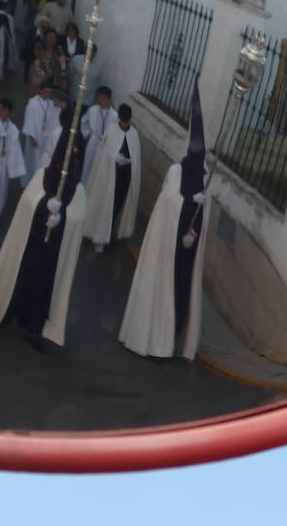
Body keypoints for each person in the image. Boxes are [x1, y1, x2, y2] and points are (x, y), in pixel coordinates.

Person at [0, 128, 87, 351]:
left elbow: (77, 220)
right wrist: (45, 206)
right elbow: (27, 204)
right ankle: (8, 313)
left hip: (53, 253)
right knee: (20, 279)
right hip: (31, 244)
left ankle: (34, 329)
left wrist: (60, 217)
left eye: (75, 157)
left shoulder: (79, 190)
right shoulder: (42, 176)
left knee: (43, 289)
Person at [120, 86, 208, 359]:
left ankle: (168, 343)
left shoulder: (205, 179)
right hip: (165, 249)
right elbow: (168, 201)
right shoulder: (175, 171)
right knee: (158, 294)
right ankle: (149, 341)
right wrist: (188, 201)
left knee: (178, 297)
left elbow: (203, 218)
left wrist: (198, 218)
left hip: (185, 252)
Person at [83, 103, 141, 254]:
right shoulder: (111, 130)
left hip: (124, 178)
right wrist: (114, 157)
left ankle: (107, 233)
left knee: (115, 207)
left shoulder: (134, 134)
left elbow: (136, 157)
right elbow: (103, 152)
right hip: (108, 176)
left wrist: (127, 162)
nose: (124, 124)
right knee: (103, 205)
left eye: (126, 121)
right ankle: (97, 235)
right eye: (123, 121)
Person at [79, 85, 116, 183]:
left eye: (102, 98)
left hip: (106, 144)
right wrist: (87, 134)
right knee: (88, 167)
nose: (99, 101)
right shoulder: (93, 109)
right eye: (98, 98)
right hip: (93, 141)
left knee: (100, 169)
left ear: (109, 99)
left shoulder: (115, 116)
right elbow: (84, 122)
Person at [22, 81, 58, 176]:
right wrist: (32, 137)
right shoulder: (33, 102)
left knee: (43, 161)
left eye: (50, 92)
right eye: (46, 91)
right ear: (40, 90)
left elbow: (55, 121)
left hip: (46, 137)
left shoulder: (52, 104)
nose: (48, 94)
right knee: (32, 161)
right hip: (35, 136)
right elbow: (29, 119)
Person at [69, 43, 103, 110]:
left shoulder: (99, 66)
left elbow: (99, 82)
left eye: (92, 54)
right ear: (84, 51)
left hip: (88, 101)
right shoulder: (76, 59)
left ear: (95, 54)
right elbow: (70, 73)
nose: (90, 56)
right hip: (74, 96)